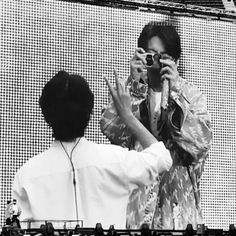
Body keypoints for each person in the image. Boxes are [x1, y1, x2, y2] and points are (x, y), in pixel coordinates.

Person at [12, 70, 172, 229]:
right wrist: (127, 115)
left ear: (45, 113)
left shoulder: (26, 175)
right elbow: (162, 157)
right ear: (90, 111)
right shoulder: (116, 161)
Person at [100, 21, 212, 229]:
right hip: (139, 205)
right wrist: (136, 89)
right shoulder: (129, 89)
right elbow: (113, 133)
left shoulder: (191, 95)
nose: (158, 63)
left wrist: (176, 91)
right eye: (152, 56)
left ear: (176, 60)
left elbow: (200, 145)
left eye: (165, 57)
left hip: (177, 204)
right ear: (141, 54)